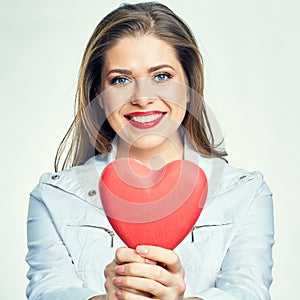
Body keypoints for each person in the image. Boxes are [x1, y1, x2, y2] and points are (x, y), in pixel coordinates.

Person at [25, 2, 274, 300]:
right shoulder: (54, 197)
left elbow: (249, 292)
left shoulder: (245, 193)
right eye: (120, 80)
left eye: (162, 76)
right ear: (100, 97)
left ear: (189, 85)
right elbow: (47, 291)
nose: (142, 98)